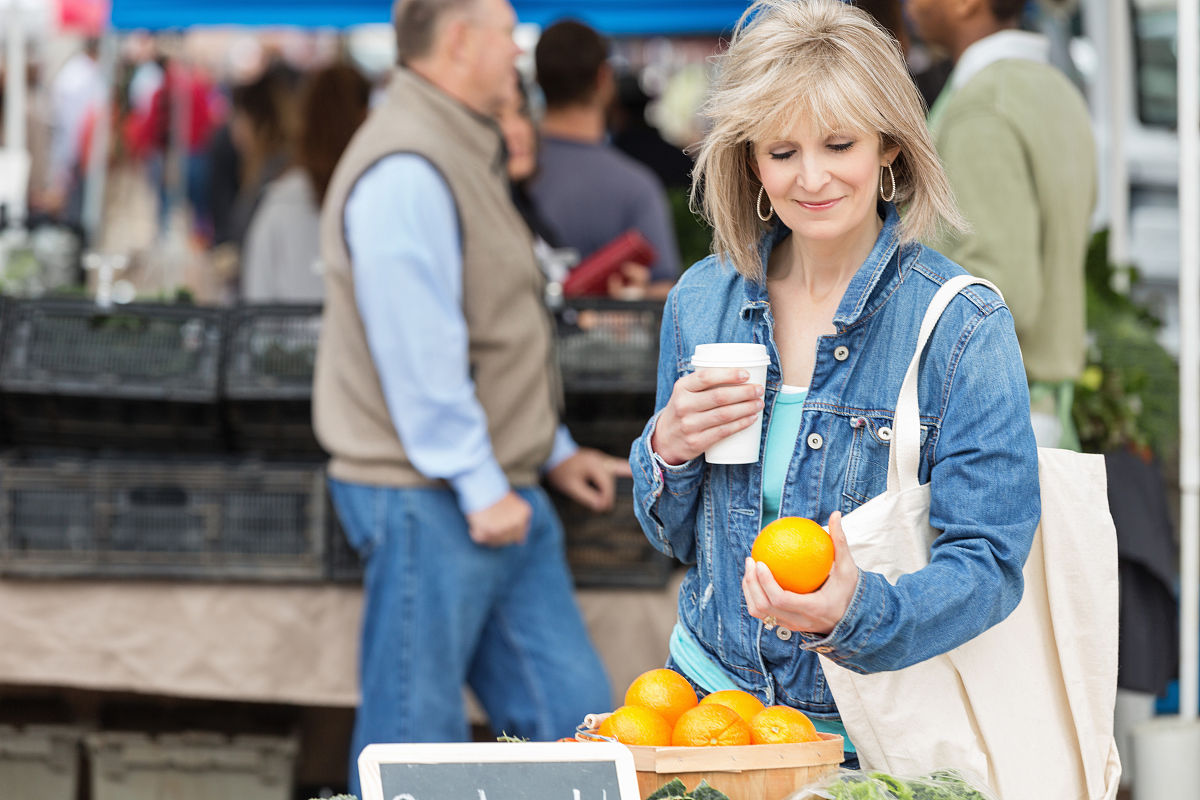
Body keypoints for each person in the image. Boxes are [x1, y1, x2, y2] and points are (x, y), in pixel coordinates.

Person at [629, 0, 1039, 769]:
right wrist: (668, 447)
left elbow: (988, 563)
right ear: (751, 160)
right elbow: (676, 539)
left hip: (867, 741)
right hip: (705, 716)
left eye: (839, 143)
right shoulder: (701, 301)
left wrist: (859, 612)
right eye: (781, 151)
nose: (810, 177)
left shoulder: (962, 327)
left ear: (889, 145)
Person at [312, 0, 617, 793]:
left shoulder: (455, 148)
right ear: (457, 42)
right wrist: (482, 481)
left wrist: (548, 452)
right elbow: (419, 350)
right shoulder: (408, 164)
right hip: (432, 496)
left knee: (577, 722)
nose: (517, 49)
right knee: (415, 744)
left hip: (491, 488)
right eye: (503, 33)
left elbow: (491, 329)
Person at [908, 0, 1097, 450]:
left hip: (990, 426)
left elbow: (1003, 288)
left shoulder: (985, 104)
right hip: (1033, 415)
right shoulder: (1056, 89)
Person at [529, 20, 680, 298]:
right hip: (610, 341)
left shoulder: (505, 176)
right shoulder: (636, 187)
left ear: (537, 79)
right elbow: (664, 292)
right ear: (604, 79)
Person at [241, 63, 371, 303]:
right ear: (363, 115)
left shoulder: (280, 199)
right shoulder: (374, 198)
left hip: (285, 336)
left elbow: (256, 294)